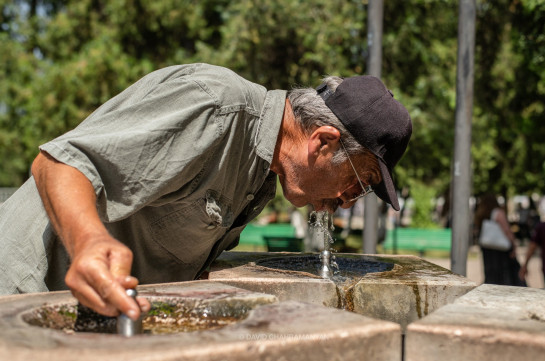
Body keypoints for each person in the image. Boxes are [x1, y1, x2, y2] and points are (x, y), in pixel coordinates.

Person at [0, 63, 411, 320]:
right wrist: (88, 241)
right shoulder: (215, 107)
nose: (348, 201)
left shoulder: (263, 174)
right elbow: (57, 163)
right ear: (323, 141)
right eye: (360, 182)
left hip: (84, 316)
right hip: (20, 295)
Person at [474, 193, 520, 285]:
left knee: (490, 272)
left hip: (487, 247)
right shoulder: (498, 212)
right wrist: (513, 244)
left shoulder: (481, 214)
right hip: (500, 248)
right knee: (503, 271)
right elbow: (506, 230)